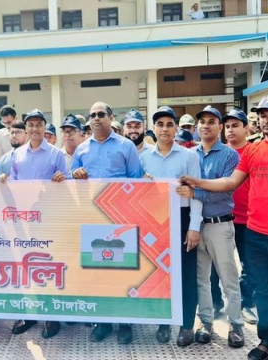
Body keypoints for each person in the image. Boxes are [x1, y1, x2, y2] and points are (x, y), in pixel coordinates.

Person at [179, 93, 268, 360]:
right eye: (262, 115)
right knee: (263, 292)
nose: (266, 120)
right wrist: (197, 183)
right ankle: (267, 343)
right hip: (256, 234)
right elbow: (230, 183)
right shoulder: (253, 151)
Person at [71, 101, 142, 344]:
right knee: (97, 273)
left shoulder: (127, 146)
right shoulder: (80, 150)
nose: (97, 118)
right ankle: (102, 322)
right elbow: (72, 185)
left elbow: (137, 183)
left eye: (101, 114)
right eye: (92, 115)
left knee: (123, 273)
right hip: (93, 220)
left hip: (121, 220)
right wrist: (76, 176)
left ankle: (125, 323)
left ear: (111, 117)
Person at [178, 105, 244, 348]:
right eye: (202, 121)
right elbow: (181, 188)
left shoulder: (229, 156)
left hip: (219, 224)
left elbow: (225, 190)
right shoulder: (189, 155)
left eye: (211, 121)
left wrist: (194, 192)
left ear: (220, 127)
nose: (205, 125)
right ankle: (205, 322)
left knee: (228, 278)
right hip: (194, 226)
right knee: (200, 278)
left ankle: (236, 325)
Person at [2, 109, 66, 339]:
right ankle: (29, 314)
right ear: (26, 128)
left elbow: (66, 187)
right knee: (26, 269)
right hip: (24, 222)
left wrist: (62, 180)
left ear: (45, 127)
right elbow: (14, 184)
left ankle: (52, 317)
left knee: (48, 267)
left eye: (39, 124)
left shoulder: (57, 154)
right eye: (31, 125)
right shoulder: (16, 155)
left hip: (48, 220)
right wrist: (4, 181)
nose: (35, 129)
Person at [142, 106, 202, 347]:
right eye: (160, 124)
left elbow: (196, 193)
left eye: (169, 124)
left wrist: (194, 226)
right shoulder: (143, 157)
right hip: (154, 220)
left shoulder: (189, 156)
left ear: (176, 128)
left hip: (182, 217)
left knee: (186, 275)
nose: (165, 129)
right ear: (154, 129)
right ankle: (163, 321)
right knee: (159, 274)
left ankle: (186, 325)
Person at [221, 108, 258, 325]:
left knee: (249, 265)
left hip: (249, 219)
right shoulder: (220, 152)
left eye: (235, 125)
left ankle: (247, 304)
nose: (231, 130)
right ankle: (220, 302)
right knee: (222, 265)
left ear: (246, 128)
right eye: (227, 126)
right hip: (223, 218)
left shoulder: (256, 151)